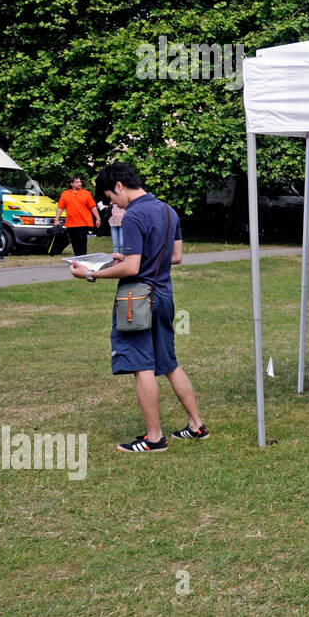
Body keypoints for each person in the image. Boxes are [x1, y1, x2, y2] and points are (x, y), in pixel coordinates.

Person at [69, 162, 206, 452]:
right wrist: (133, 257)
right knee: (169, 363)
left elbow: (132, 269)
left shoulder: (133, 216)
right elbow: (177, 256)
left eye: (110, 198)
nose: (112, 205)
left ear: (119, 186)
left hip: (138, 300)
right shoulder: (168, 210)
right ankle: (197, 425)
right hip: (164, 296)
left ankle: (154, 438)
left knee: (141, 366)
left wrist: (90, 273)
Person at [57, 175, 101, 256]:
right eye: (77, 182)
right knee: (74, 243)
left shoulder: (86, 194)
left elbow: (93, 207)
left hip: (83, 223)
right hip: (71, 223)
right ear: (72, 184)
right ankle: (78, 258)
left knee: (82, 243)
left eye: (80, 182)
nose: (80, 183)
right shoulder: (65, 194)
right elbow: (60, 208)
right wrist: (57, 219)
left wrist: (98, 218)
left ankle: (83, 258)